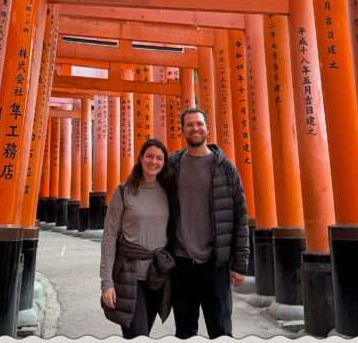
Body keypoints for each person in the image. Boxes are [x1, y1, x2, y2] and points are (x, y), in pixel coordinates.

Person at [168, 107, 249, 339]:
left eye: (199, 124)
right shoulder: (173, 166)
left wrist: (240, 264)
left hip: (216, 264)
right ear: (182, 130)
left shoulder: (225, 168)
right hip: (181, 263)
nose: (195, 128)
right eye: (190, 124)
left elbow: (240, 216)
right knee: (184, 330)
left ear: (207, 128)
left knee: (221, 329)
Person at [99, 139, 175, 338]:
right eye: (149, 156)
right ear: (141, 158)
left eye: (159, 158)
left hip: (156, 276)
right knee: (137, 334)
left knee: (144, 332)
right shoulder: (124, 191)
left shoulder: (168, 192)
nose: (153, 161)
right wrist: (106, 283)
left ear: (164, 162)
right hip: (128, 274)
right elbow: (109, 237)